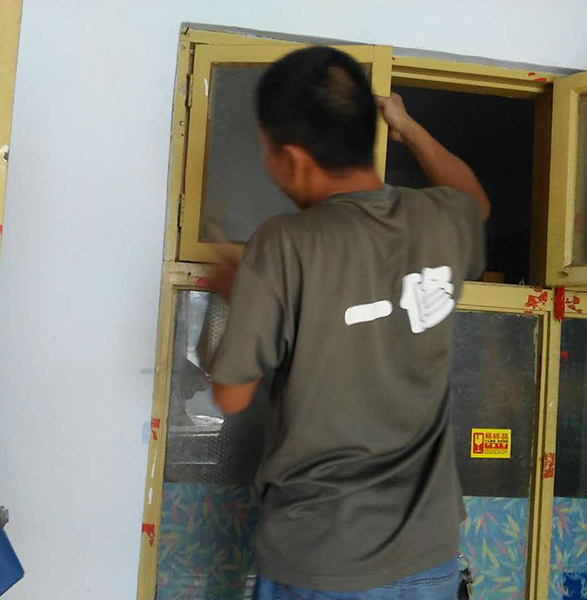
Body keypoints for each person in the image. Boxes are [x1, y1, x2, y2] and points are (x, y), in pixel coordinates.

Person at [209, 46, 489, 600]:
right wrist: (408, 128)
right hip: (430, 557)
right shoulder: (441, 219)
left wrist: (232, 301)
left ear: (293, 159)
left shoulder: (285, 243)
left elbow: (231, 396)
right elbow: (474, 200)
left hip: (322, 560)